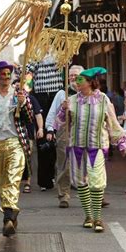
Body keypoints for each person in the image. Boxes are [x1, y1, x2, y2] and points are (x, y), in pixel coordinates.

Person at [55, 67, 126, 232]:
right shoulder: (71, 100)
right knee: (81, 182)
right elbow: (59, 122)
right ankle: (88, 216)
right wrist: (63, 110)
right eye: (75, 80)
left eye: (79, 80)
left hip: (97, 147)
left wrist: (121, 142)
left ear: (89, 82)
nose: (75, 82)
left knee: (97, 182)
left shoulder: (103, 100)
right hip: (77, 147)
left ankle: (97, 218)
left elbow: (112, 122)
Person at [0, 61, 34, 236]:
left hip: (15, 142)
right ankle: (11, 214)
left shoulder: (18, 94)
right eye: (2, 74)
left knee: (12, 179)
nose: (6, 76)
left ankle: (7, 218)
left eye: (8, 73)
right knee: (2, 183)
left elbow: (29, 118)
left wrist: (23, 103)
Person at [45, 65, 84, 208]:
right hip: (65, 133)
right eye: (71, 75)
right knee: (64, 164)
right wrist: (50, 129)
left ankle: (96, 193)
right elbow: (52, 113)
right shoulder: (62, 94)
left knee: (89, 164)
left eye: (76, 75)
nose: (73, 78)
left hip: (84, 132)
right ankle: (64, 195)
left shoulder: (89, 93)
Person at [28, 55, 64, 190]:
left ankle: (56, 176)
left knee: (56, 138)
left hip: (57, 92)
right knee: (43, 140)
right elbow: (28, 73)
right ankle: (44, 180)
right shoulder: (35, 55)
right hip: (41, 94)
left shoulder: (60, 51)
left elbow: (67, 62)